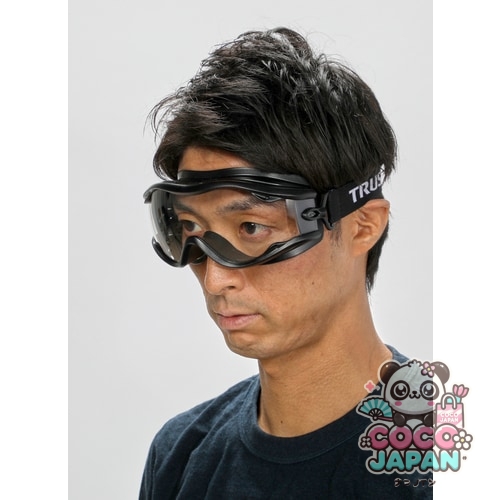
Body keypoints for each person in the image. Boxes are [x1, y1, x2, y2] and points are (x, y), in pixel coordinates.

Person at [139, 27, 433, 499]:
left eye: (251, 228)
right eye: (192, 228)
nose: (216, 279)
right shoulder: (180, 455)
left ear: (362, 226)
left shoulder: (445, 462)